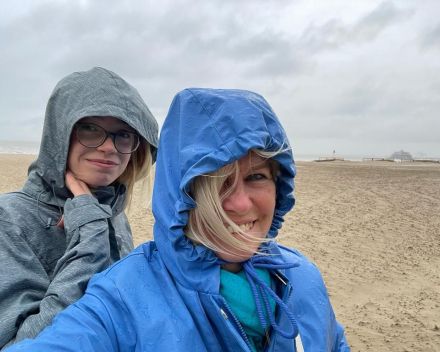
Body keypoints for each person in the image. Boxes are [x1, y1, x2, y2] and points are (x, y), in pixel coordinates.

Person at [6, 88, 350, 351]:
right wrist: (91, 229)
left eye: (257, 177)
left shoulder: (299, 275)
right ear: (180, 194)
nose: (241, 204)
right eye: (216, 182)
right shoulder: (122, 296)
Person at [0, 67, 158, 350]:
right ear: (60, 134)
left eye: (123, 134)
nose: (109, 147)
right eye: (90, 128)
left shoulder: (114, 213)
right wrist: (90, 237)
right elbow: (19, 343)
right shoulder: (9, 217)